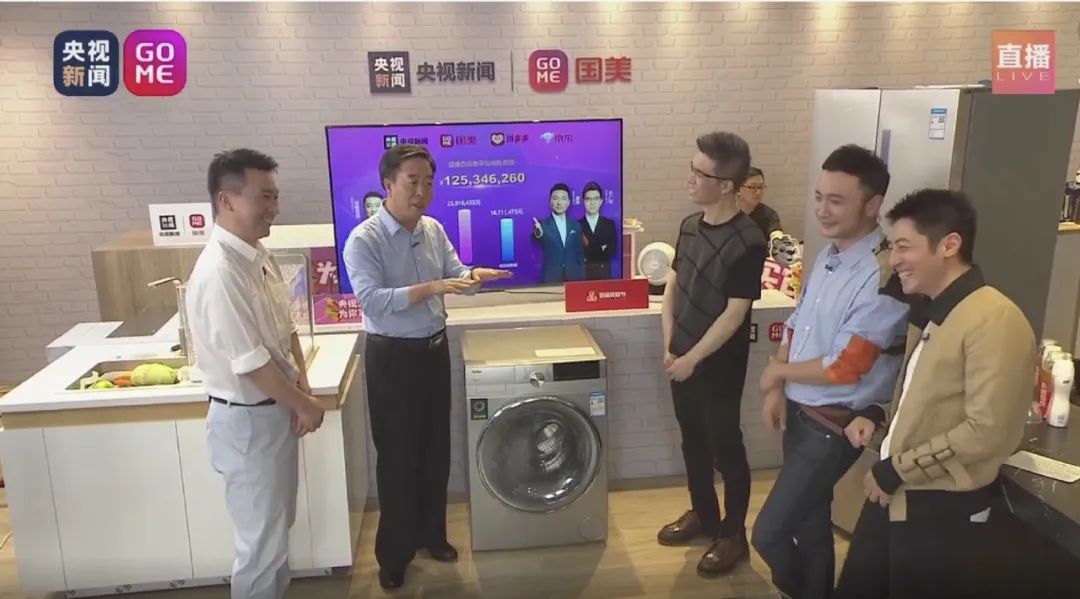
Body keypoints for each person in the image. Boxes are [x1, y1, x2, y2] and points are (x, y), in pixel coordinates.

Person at [833, 189, 1036, 599]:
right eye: (892, 247)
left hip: (941, 511)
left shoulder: (995, 319)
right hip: (894, 495)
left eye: (904, 247)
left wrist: (896, 469)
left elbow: (987, 432)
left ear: (949, 245)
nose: (894, 260)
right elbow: (924, 395)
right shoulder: (931, 310)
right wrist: (879, 414)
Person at [342, 144, 511, 590]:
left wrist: (474, 277)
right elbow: (373, 301)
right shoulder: (364, 239)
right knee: (398, 458)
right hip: (392, 358)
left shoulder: (433, 228)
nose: (422, 191)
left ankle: (431, 535)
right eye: (412, 182)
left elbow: (455, 273)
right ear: (388, 185)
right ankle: (394, 555)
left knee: (435, 451)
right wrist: (431, 287)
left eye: (429, 182)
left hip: (434, 350)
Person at [751, 144, 909, 599]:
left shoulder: (882, 276)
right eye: (819, 197)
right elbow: (797, 322)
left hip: (832, 426)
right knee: (810, 523)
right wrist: (778, 381)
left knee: (769, 533)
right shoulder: (827, 255)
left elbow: (847, 366)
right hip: (801, 412)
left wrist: (779, 375)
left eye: (836, 201)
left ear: (873, 205)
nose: (822, 209)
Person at [186, 148, 327, 599]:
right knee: (260, 546)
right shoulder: (219, 273)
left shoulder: (257, 255)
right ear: (226, 200)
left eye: (275, 196)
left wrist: (302, 391)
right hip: (247, 422)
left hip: (275, 413)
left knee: (277, 530)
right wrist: (305, 404)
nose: (274, 207)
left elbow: (286, 330)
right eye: (263, 196)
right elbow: (251, 365)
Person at [657, 131, 768, 577]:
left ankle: (733, 534)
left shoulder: (749, 240)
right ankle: (703, 514)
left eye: (699, 173)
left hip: (718, 364)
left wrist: (692, 359)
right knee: (693, 440)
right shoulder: (689, 226)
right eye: (692, 168)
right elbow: (673, 284)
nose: (690, 178)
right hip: (680, 357)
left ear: (725, 185)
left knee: (726, 447)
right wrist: (670, 344)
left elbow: (735, 314)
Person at [533, 182, 586, 283]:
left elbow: (580, 253)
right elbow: (536, 238)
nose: (559, 202)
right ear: (550, 201)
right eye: (555, 198)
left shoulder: (576, 225)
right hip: (551, 278)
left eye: (563, 199)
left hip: (574, 277)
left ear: (568, 202)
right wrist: (538, 233)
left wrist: (582, 275)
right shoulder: (542, 225)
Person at [578, 181, 618, 280]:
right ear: (583, 201)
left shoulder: (609, 224)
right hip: (583, 276)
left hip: (603, 276)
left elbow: (610, 252)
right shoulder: (576, 225)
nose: (592, 203)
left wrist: (589, 247)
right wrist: (600, 248)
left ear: (601, 201)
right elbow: (577, 254)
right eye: (588, 199)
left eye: (595, 199)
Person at [738, 166, 783, 237]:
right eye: (753, 187)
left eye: (761, 187)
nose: (758, 192)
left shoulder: (768, 214)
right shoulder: (725, 214)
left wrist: (777, 237)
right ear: (738, 189)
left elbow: (776, 232)